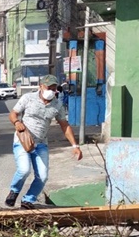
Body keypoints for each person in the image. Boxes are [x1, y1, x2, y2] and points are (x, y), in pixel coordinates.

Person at [6, 75, 83, 210]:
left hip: (41, 144)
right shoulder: (28, 98)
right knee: (24, 170)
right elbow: (13, 114)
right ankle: (14, 191)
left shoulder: (57, 104)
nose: (52, 91)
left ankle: (28, 200)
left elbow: (64, 125)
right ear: (41, 86)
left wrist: (75, 146)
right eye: (49, 88)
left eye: (54, 89)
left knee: (42, 176)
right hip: (23, 140)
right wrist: (17, 122)